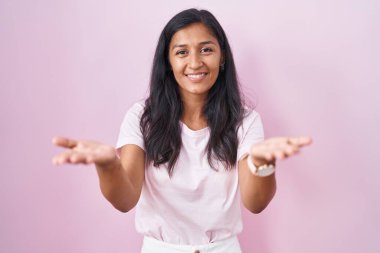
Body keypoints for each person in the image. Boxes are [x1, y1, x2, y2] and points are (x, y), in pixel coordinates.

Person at [52, 8, 312, 253]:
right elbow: (125, 199)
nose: (195, 62)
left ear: (222, 57)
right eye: (182, 52)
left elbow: (256, 203)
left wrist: (262, 163)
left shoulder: (245, 121)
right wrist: (108, 166)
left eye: (206, 49)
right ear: (168, 61)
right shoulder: (142, 118)